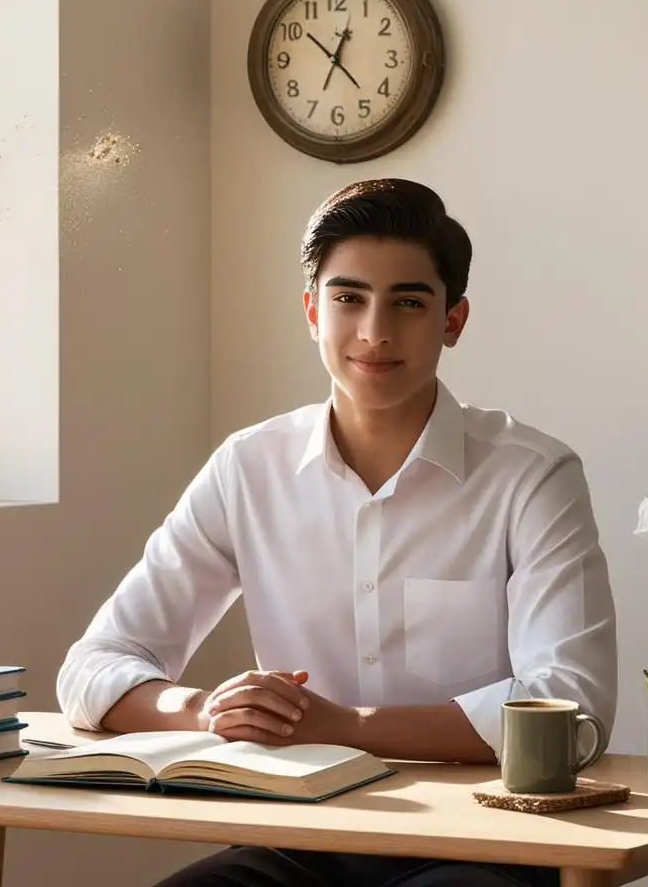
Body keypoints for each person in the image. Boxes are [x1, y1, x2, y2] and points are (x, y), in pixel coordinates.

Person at [56, 178, 618, 887]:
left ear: (453, 320)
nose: (374, 331)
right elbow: (92, 665)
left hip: (494, 842)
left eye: (408, 302)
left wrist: (346, 724)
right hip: (300, 836)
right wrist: (207, 709)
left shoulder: (532, 476)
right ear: (311, 312)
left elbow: (574, 707)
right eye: (348, 298)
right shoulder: (248, 468)